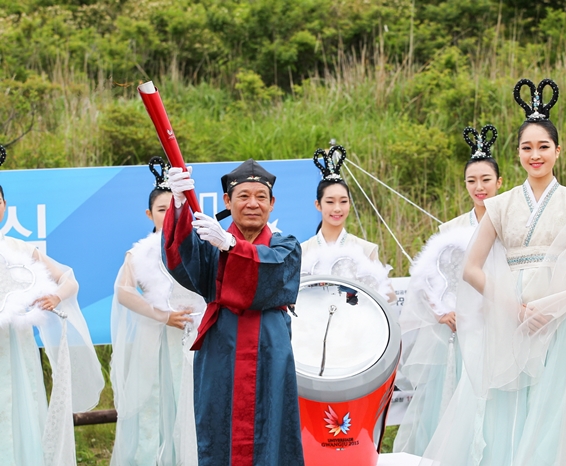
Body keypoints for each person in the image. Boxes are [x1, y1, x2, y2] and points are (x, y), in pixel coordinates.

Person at [419, 78, 566, 465]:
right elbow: (471, 268)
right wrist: (513, 307)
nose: (535, 155)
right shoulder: (501, 205)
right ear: (517, 152)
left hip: (561, 318)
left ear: (558, 150)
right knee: (504, 408)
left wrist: (553, 307)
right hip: (508, 315)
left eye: (543, 147)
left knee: (553, 408)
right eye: (527, 147)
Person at [162, 158, 304, 466]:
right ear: (228, 200)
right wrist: (178, 206)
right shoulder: (209, 242)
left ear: (272, 203)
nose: (252, 203)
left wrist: (230, 246)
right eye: (243, 196)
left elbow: (272, 276)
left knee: (273, 428)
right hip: (220, 349)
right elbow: (181, 259)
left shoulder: (286, 246)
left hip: (270, 350)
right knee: (217, 427)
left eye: (260, 197)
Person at [394, 124, 502, 456]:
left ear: (500, 182)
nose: (479, 187)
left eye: (486, 179)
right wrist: (442, 311)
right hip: (456, 330)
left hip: (496, 325)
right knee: (450, 398)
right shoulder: (450, 228)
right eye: (472, 181)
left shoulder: (510, 224)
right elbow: (427, 277)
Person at [0, 144, 103, 466]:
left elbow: (68, 278)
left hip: (16, 345)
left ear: (4, 206)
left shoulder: (20, 248)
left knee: (20, 405)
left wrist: (56, 296)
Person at [110, 157, 205, 465]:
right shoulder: (139, 253)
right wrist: (163, 316)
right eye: (161, 210)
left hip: (194, 339)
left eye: (172, 209)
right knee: (156, 408)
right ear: (150, 214)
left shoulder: (198, 245)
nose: (167, 215)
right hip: (157, 341)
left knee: (192, 405)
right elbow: (123, 293)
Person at [301, 145, 394, 300]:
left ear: (350, 204)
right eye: (330, 202)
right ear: (318, 205)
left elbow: (386, 296)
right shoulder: (302, 250)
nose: (337, 208)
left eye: (343, 201)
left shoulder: (365, 249)